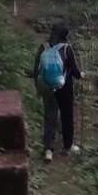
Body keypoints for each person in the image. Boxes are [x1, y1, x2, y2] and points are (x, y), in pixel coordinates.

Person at [33, 23, 82, 162]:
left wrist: (38, 87)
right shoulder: (66, 49)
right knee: (67, 116)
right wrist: (81, 75)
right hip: (64, 88)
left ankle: (48, 150)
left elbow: (36, 69)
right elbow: (74, 71)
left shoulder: (43, 47)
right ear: (64, 35)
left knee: (49, 117)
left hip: (47, 87)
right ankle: (68, 146)